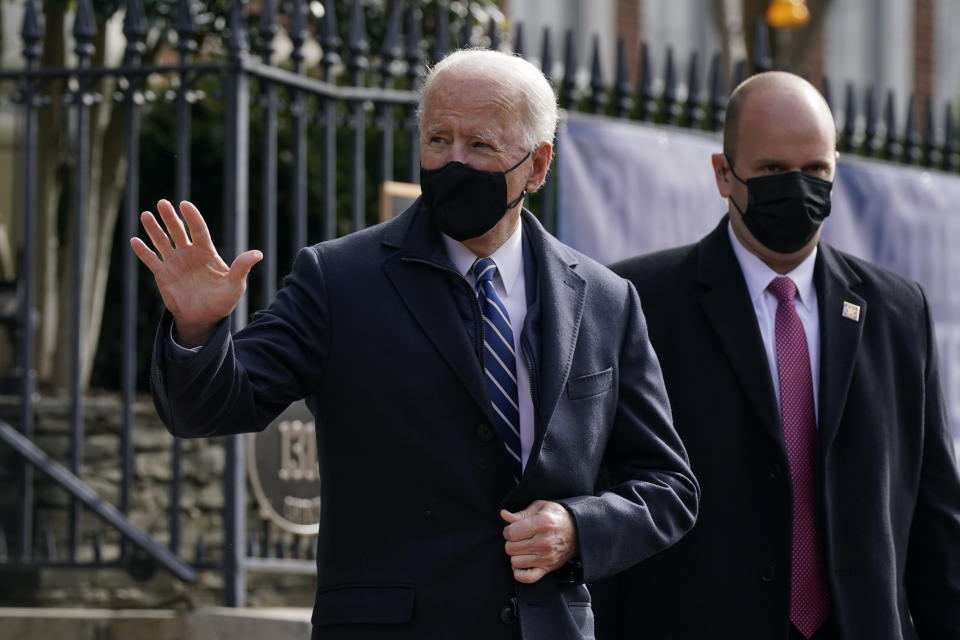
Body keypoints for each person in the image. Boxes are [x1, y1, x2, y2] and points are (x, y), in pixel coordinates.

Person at [131, 49, 698, 640]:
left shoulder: (606, 299)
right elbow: (215, 406)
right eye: (437, 139)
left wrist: (577, 527)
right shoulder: (339, 278)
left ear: (537, 165)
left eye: (480, 145)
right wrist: (196, 331)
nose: (453, 161)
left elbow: (667, 485)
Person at [604, 71, 960, 639]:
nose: (796, 188)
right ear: (724, 174)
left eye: (815, 170)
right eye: (772, 170)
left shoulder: (897, 312)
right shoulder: (640, 303)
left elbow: (936, 521)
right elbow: (614, 503)